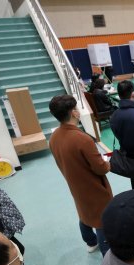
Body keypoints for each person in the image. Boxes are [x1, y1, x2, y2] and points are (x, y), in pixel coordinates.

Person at [49, 95, 112, 256]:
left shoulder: (54, 137)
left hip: (75, 184)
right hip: (94, 187)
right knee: (102, 219)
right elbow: (101, 168)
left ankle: (90, 242)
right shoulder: (82, 139)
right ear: (73, 113)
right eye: (76, 108)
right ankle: (108, 257)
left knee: (84, 212)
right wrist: (107, 163)